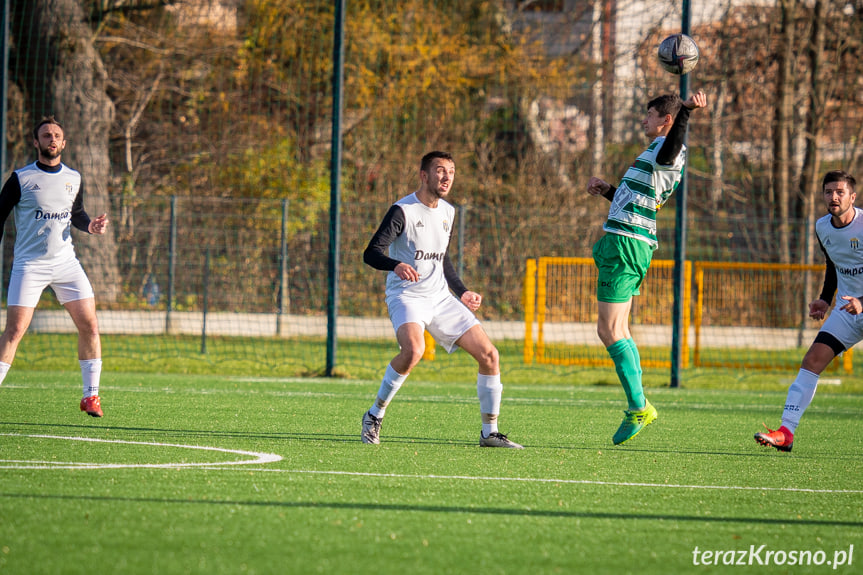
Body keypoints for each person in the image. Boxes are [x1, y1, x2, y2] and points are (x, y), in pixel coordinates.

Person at [361, 151, 522, 448]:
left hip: (440, 297)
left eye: (451, 171)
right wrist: (394, 264)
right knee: (413, 351)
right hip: (407, 296)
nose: (447, 177)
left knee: (490, 355)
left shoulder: (448, 211)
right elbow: (371, 252)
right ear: (424, 175)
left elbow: (442, 259)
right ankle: (374, 415)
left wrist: (462, 292)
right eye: (439, 171)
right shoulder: (403, 211)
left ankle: (490, 432)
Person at [587, 90, 707, 445]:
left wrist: (685, 113)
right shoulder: (654, 152)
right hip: (629, 242)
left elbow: (672, 149)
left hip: (626, 245)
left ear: (665, 121)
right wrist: (608, 189)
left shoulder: (668, 149)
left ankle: (639, 406)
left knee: (607, 330)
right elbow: (642, 200)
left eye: (651, 115)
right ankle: (640, 405)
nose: (645, 120)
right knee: (619, 329)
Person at [0, 116, 109, 417]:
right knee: (15, 331)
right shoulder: (20, 179)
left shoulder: (73, 177)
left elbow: (76, 213)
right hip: (29, 266)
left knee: (90, 325)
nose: (51, 139)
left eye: (56, 135)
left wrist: (90, 226)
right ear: (36, 142)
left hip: (66, 264)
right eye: (45, 135)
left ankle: (91, 397)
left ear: (63, 143)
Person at [755, 170, 858, 452]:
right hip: (848, 311)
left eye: (839, 192)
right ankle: (786, 431)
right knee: (812, 360)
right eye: (828, 192)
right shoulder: (822, 226)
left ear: (853, 196)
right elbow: (834, 264)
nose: (833, 197)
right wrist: (825, 299)